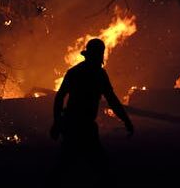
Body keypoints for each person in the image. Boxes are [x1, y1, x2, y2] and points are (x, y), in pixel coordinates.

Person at [51, 38, 133, 173]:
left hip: (73, 125)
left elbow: (60, 97)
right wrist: (126, 121)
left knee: (66, 164)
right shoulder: (99, 75)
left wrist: (57, 122)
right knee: (99, 165)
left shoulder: (75, 72)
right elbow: (112, 100)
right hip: (83, 126)